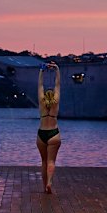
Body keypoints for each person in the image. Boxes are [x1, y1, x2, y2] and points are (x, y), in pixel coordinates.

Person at [37, 62, 61, 194]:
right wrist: (57, 69)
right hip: (54, 133)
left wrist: (42, 71)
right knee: (51, 160)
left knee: (44, 161)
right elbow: (58, 84)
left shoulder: (41, 101)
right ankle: (49, 183)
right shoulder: (56, 102)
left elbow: (40, 85)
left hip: (41, 133)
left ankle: (44, 186)